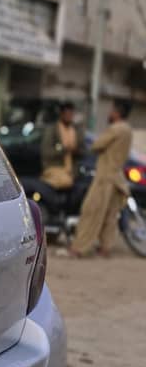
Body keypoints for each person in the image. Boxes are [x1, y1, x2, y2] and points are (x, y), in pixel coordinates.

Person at [71, 100, 133, 257]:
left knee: (91, 212)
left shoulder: (116, 129)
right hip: (117, 177)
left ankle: (79, 248)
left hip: (105, 177)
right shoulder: (128, 130)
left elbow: (97, 145)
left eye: (112, 110)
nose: (109, 113)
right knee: (110, 215)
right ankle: (105, 248)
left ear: (117, 112)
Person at [40, 101, 83, 190]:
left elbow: (84, 151)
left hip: (72, 171)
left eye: (71, 114)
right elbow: (46, 152)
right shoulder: (52, 130)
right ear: (62, 114)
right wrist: (64, 150)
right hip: (54, 168)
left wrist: (76, 151)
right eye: (67, 114)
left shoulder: (76, 131)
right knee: (65, 182)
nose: (69, 117)